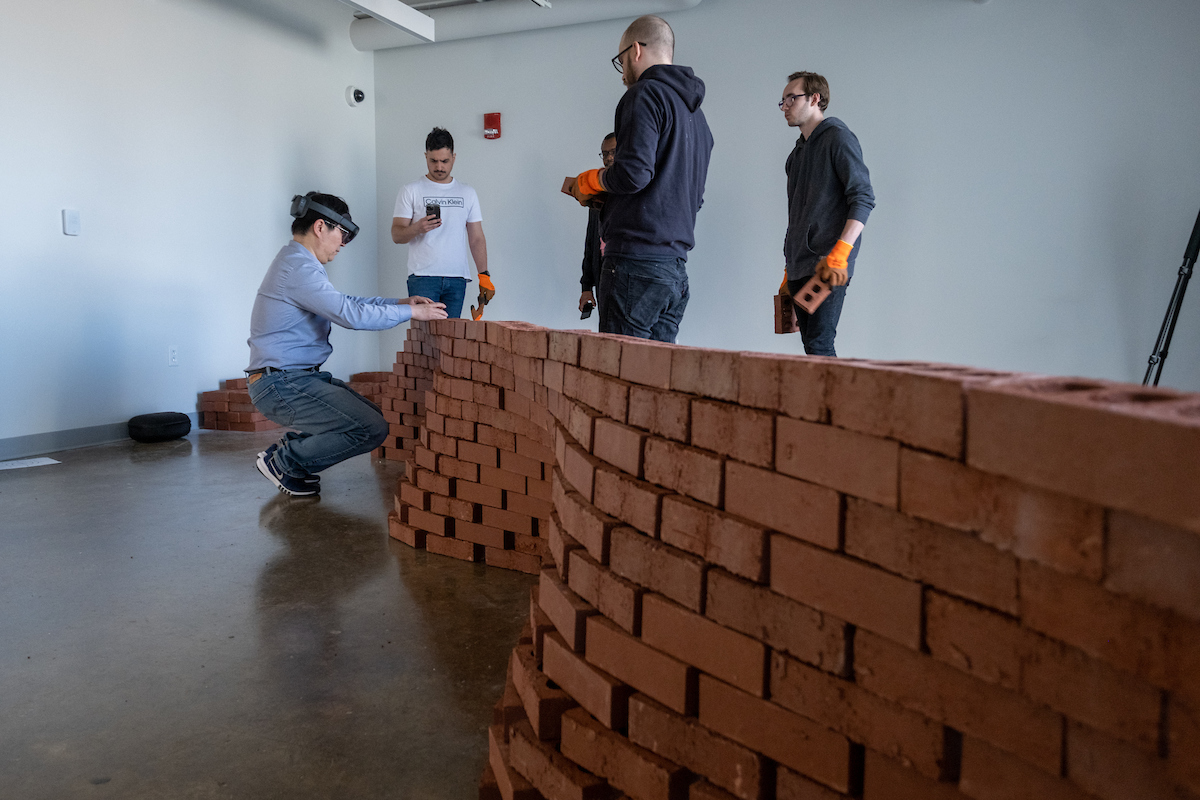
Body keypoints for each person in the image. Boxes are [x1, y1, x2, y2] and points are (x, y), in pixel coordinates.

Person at [247, 192, 448, 497]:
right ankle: (285, 462)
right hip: (281, 383)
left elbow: (344, 302)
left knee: (370, 417)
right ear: (319, 227)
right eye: (341, 234)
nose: (342, 244)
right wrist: (413, 312)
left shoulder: (299, 263)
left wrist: (400, 302)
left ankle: (288, 453)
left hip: (293, 378)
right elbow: (349, 315)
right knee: (370, 428)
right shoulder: (298, 269)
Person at [568, 15, 713, 343]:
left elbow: (633, 173)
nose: (623, 73)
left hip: (635, 266)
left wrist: (596, 179)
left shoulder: (644, 95)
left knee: (620, 378)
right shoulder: (697, 118)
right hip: (674, 272)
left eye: (620, 61)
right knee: (655, 381)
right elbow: (690, 197)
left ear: (635, 50)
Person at [779, 71, 875, 357]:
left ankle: (834, 403)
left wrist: (840, 253)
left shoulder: (838, 138)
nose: (785, 106)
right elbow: (795, 215)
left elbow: (863, 198)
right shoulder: (795, 156)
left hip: (827, 266)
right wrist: (788, 270)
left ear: (815, 99)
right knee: (813, 347)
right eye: (782, 100)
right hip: (799, 266)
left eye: (791, 98)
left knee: (820, 345)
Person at [391, 127, 495, 319]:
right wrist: (417, 228)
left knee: (451, 340)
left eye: (444, 161)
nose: (439, 167)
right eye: (433, 161)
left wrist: (484, 276)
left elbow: (476, 238)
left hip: (457, 278)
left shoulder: (467, 192)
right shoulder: (411, 190)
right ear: (426, 157)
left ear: (454, 157)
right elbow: (396, 235)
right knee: (424, 340)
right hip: (423, 277)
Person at [579, 132, 617, 317]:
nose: (609, 158)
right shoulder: (598, 192)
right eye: (605, 153)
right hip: (604, 279)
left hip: (626, 280)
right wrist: (586, 287)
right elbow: (591, 241)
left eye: (614, 152)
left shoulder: (638, 191)